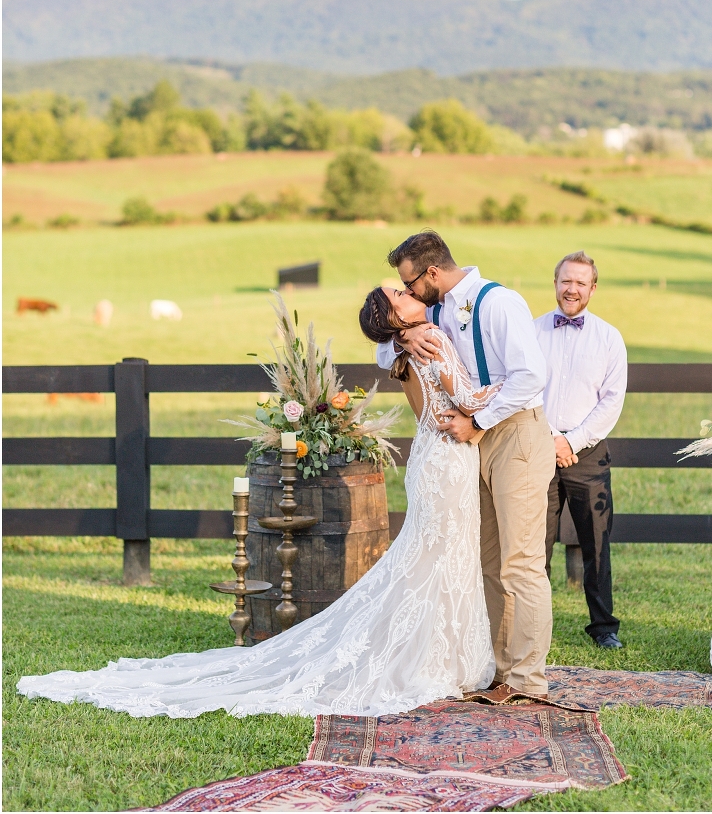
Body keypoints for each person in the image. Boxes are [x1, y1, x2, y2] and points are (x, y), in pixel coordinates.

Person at [17, 288, 497, 719]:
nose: (410, 290)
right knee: (438, 558)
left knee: (433, 559)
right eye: (401, 293)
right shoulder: (429, 336)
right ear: (397, 317)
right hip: (448, 458)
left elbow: (423, 397)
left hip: (434, 461)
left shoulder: (405, 348)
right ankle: (435, 658)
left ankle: (435, 653)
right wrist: (515, 388)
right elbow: (459, 401)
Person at [376, 230, 554, 699]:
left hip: (513, 432)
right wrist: (402, 342)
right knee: (487, 561)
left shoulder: (498, 303)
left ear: (432, 273)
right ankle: (496, 668)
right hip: (465, 445)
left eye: (410, 284)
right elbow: (380, 345)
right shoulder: (431, 310)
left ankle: (526, 680)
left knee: (522, 563)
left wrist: (479, 421)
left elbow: (532, 375)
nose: (409, 292)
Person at [534, 250, 627, 650]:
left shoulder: (609, 338)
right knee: (533, 545)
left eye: (580, 282)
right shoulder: (531, 332)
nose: (571, 289)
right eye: (565, 281)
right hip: (536, 447)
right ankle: (532, 626)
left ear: (592, 288)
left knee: (597, 543)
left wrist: (569, 442)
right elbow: (524, 389)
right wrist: (551, 438)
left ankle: (604, 627)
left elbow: (611, 402)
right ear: (555, 283)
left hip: (587, 454)